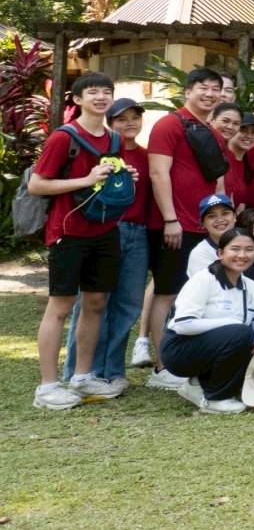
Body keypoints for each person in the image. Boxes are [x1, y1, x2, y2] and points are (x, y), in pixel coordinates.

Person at [27, 71, 133, 410]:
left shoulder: (115, 140)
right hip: (68, 231)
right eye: (92, 92)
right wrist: (84, 179)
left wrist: (124, 176)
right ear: (77, 99)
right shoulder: (64, 138)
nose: (101, 97)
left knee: (97, 302)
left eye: (106, 91)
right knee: (60, 306)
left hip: (104, 230)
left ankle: (82, 377)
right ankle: (47, 387)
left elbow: (106, 181)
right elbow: (37, 185)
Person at [143, 65, 229, 392]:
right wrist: (170, 218)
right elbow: (157, 173)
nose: (209, 94)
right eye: (202, 88)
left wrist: (224, 219)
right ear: (188, 91)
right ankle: (162, 365)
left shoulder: (214, 132)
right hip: (175, 226)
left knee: (199, 293)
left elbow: (218, 178)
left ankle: (190, 360)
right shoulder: (168, 125)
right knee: (168, 291)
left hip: (207, 226)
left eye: (215, 89)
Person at [159, 227, 254, 414]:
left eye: (249, 250)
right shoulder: (204, 279)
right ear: (220, 253)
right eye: (235, 249)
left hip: (212, 344)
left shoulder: (249, 285)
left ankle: (196, 385)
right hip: (179, 350)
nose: (242, 255)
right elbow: (183, 325)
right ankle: (216, 399)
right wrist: (231, 323)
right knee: (240, 332)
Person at [63, 96, 152, 385]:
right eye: (121, 118)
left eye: (134, 117)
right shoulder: (102, 151)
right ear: (110, 122)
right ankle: (80, 371)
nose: (129, 123)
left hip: (138, 233)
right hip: (105, 229)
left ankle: (113, 371)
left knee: (128, 304)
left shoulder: (147, 155)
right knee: (92, 302)